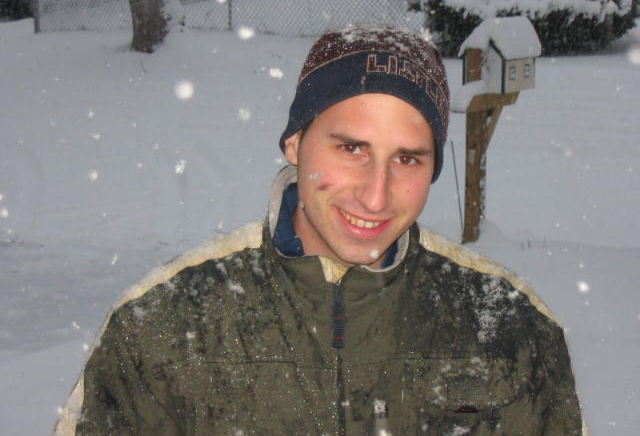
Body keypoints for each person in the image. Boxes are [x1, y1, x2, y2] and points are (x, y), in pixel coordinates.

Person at [54, 25, 585, 435]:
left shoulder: (507, 325)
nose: (375, 196)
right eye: (351, 148)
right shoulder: (163, 322)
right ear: (295, 143)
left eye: (407, 159)